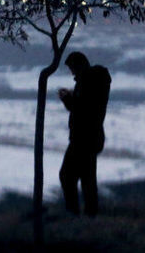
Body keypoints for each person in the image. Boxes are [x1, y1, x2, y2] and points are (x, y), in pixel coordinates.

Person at [58, 51, 111, 216]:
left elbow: (83, 109)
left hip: (84, 138)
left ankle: (75, 212)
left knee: (68, 175)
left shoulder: (88, 82)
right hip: (89, 137)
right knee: (86, 178)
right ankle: (88, 214)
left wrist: (68, 99)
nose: (72, 73)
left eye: (72, 68)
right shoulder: (90, 82)